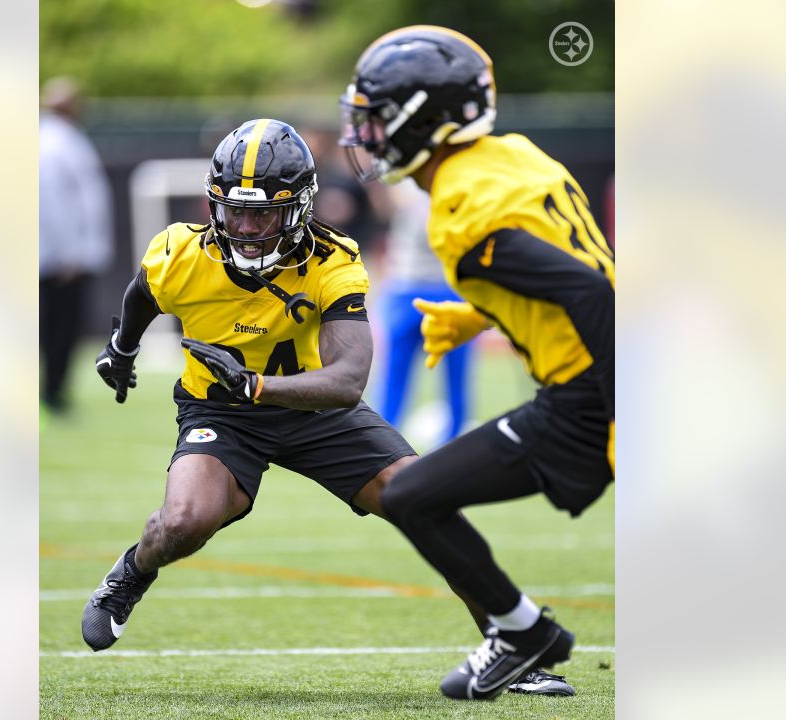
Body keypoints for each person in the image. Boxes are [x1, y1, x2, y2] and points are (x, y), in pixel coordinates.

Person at [80, 118, 498, 659]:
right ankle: (132, 572)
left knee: (430, 503)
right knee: (186, 521)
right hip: (220, 409)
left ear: (298, 208)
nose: (248, 229)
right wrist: (122, 347)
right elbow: (143, 294)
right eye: (235, 212)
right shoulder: (180, 251)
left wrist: (258, 385)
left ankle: (510, 644)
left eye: (264, 214)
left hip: (316, 410)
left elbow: (347, 380)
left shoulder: (333, 258)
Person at [340, 26, 614, 700]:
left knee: (407, 496)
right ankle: (523, 632)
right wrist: (478, 311)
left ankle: (521, 634)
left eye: (376, 119)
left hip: (588, 395)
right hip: (603, 375)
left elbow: (588, 289)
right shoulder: (514, 155)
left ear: (422, 118)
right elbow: (571, 267)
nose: (367, 135)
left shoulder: (459, 212)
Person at [376, 179, 472, 446]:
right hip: (406, 285)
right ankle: (380, 441)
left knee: (457, 378)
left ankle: (455, 441)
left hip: (448, 287)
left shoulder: (461, 177)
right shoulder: (404, 176)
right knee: (393, 377)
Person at [39, 76, 112, 415]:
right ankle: (52, 393)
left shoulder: (62, 140)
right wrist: (68, 252)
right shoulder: (55, 143)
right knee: (58, 327)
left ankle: (55, 390)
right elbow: (54, 201)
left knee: (62, 327)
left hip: (64, 255)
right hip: (61, 258)